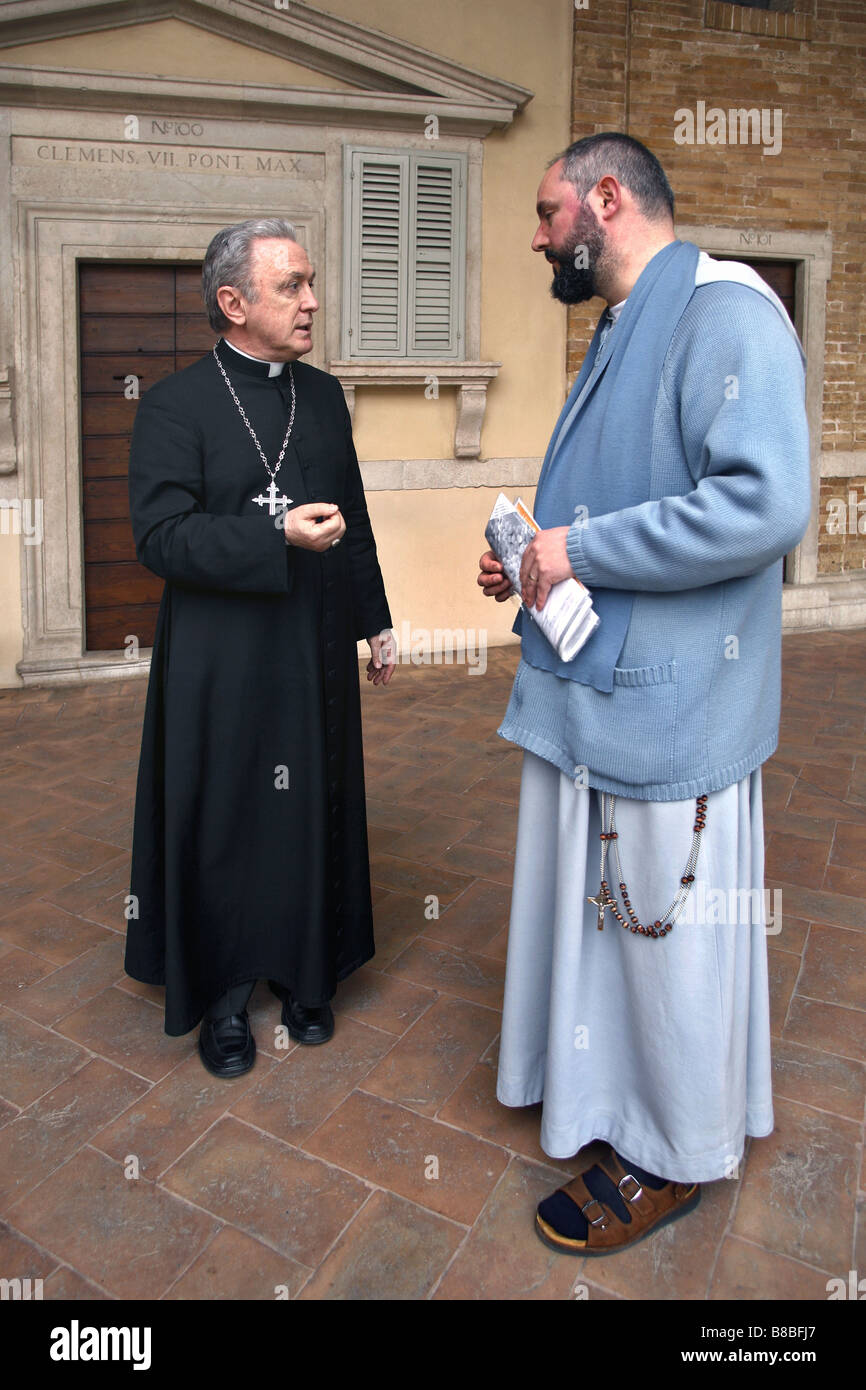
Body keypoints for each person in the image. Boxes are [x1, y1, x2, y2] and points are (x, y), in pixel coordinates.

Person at [478, 133, 811, 1256]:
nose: (534, 236)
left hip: (670, 704)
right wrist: (531, 559)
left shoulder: (728, 311)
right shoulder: (623, 320)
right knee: (609, 931)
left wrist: (581, 551)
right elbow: (615, 500)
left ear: (603, 199)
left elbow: (763, 507)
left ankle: (672, 1149)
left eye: (542, 211)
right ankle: (604, 1105)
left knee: (659, 936)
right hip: (596, 687)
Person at [125, 217, 395, 1077]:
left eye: (311, 282)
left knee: (312, 802)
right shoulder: (175, 405)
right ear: (233, 302)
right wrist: (273, 533)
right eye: (292, 286)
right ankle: (227, 994)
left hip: (311, 643)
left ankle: (307, 972)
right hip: (221, 659)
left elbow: (352, 518)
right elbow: (160, 538)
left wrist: (374, 618)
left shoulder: (322, 396)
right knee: (231, 818)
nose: (313, 301)